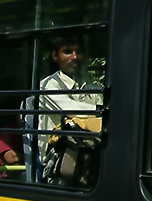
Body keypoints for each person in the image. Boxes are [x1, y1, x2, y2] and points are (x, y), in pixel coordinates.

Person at [37, 36, 103, 183]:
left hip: (88, 156)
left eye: (78, 52)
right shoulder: (48, 85)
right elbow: (71, 108)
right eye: (67, 52)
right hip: (57, 164)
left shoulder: (91, 85)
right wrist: (99, 110)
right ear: (55, 56)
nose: (75, 57)